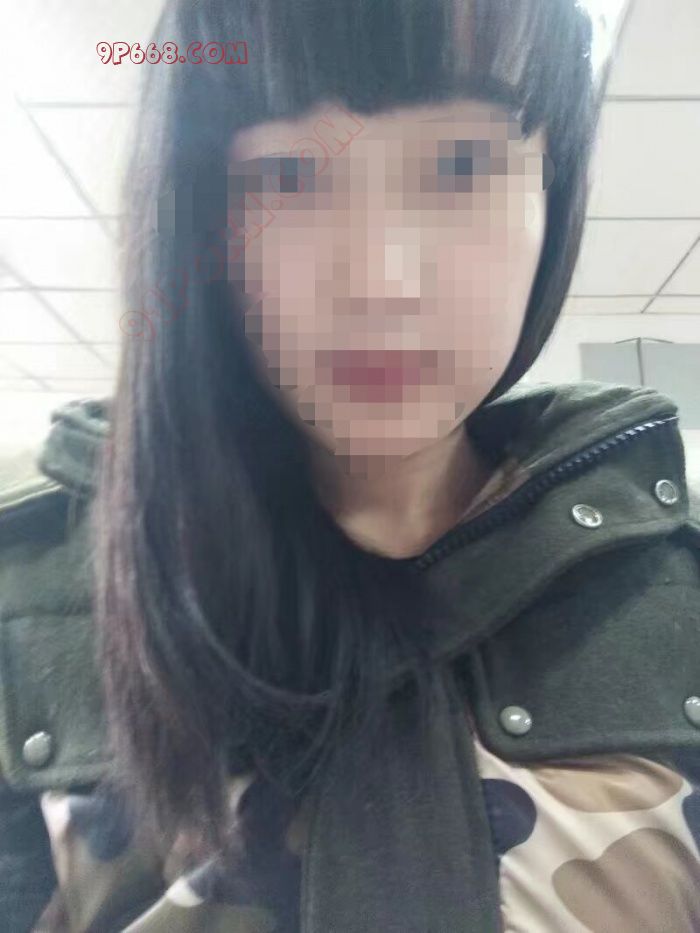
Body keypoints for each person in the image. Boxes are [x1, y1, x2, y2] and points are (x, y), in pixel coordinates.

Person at [1, 0, 700, 930]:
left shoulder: (674, 577)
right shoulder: (24, 597)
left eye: (462, 165)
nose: (380, 281)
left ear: (556, 192)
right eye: (285, 175)